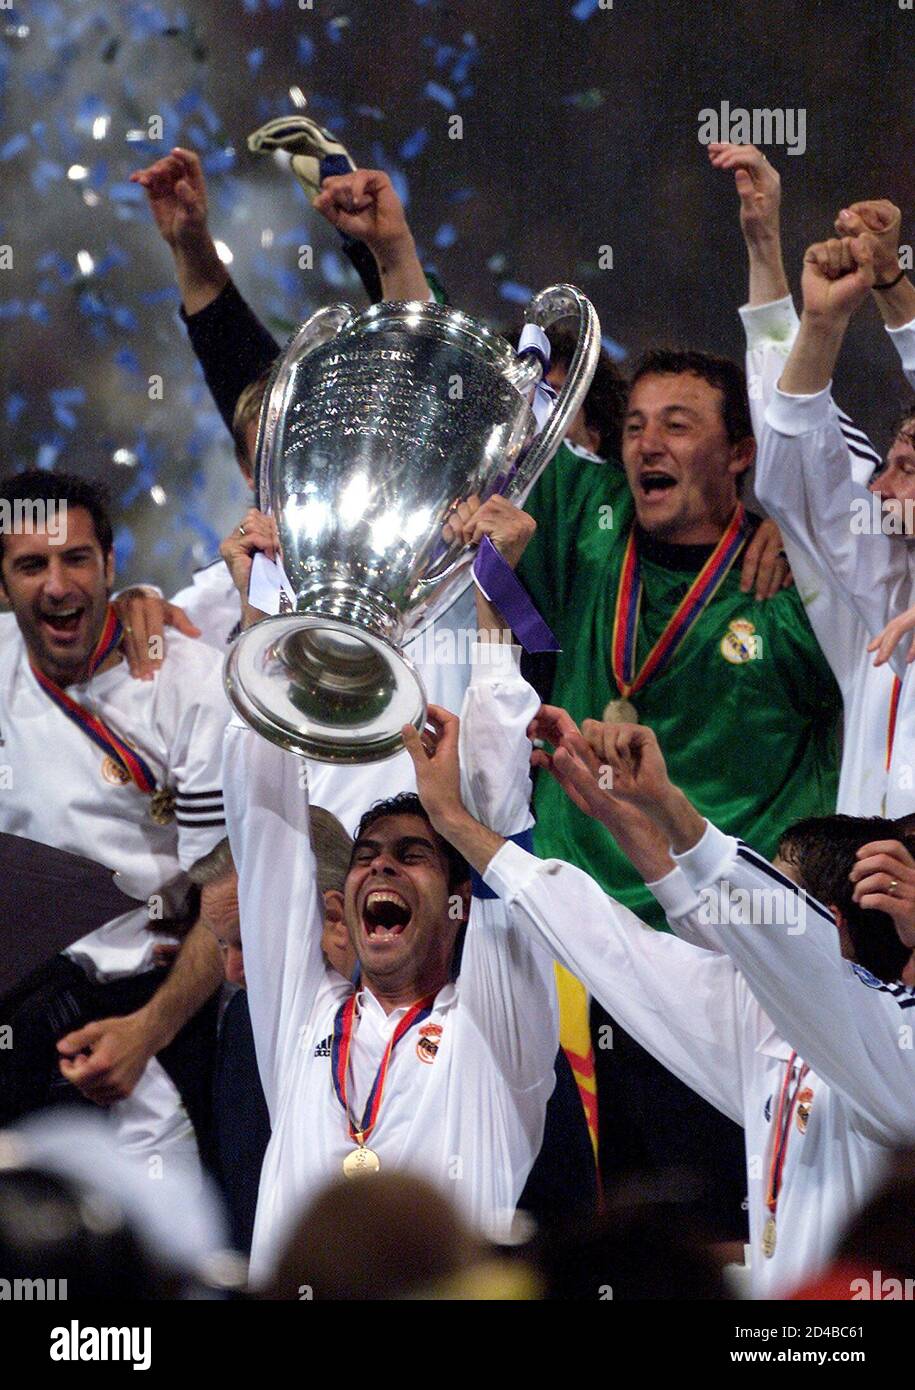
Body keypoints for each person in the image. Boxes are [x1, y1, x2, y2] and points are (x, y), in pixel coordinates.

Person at [420, 689, 915, 1296]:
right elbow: (615, 941)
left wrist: (673, 806)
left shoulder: (894, 1046)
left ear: (829, 924)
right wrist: (615, 809)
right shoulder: (772, 1034)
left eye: (775, 894)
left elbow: (772, 938)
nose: (750, 917)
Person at [223, 565, 560, 1284]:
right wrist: (263, 591)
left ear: (458, 900)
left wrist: (489, 575)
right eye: (367, 857)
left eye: (413, 857)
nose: (380, 870)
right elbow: (263, 825)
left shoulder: (495, 1036)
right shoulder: (301, 1019)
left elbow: (501, 820)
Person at [0, 470, 230, 1180]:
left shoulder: (188, 683)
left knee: (162, 1259)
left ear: (110, 564)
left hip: (150, 1025)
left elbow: (227, 896)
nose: (58, 585)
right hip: (18, 1019)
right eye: (30, 565)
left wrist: (144, 1032)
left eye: (76, 558)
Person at [710, 140, 915, 817]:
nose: (883, 484)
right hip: (869, 911)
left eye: (909, 466)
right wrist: (813, 317)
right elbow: (789, 465)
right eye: (890, 462)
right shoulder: (883, 602)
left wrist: (892, 290)